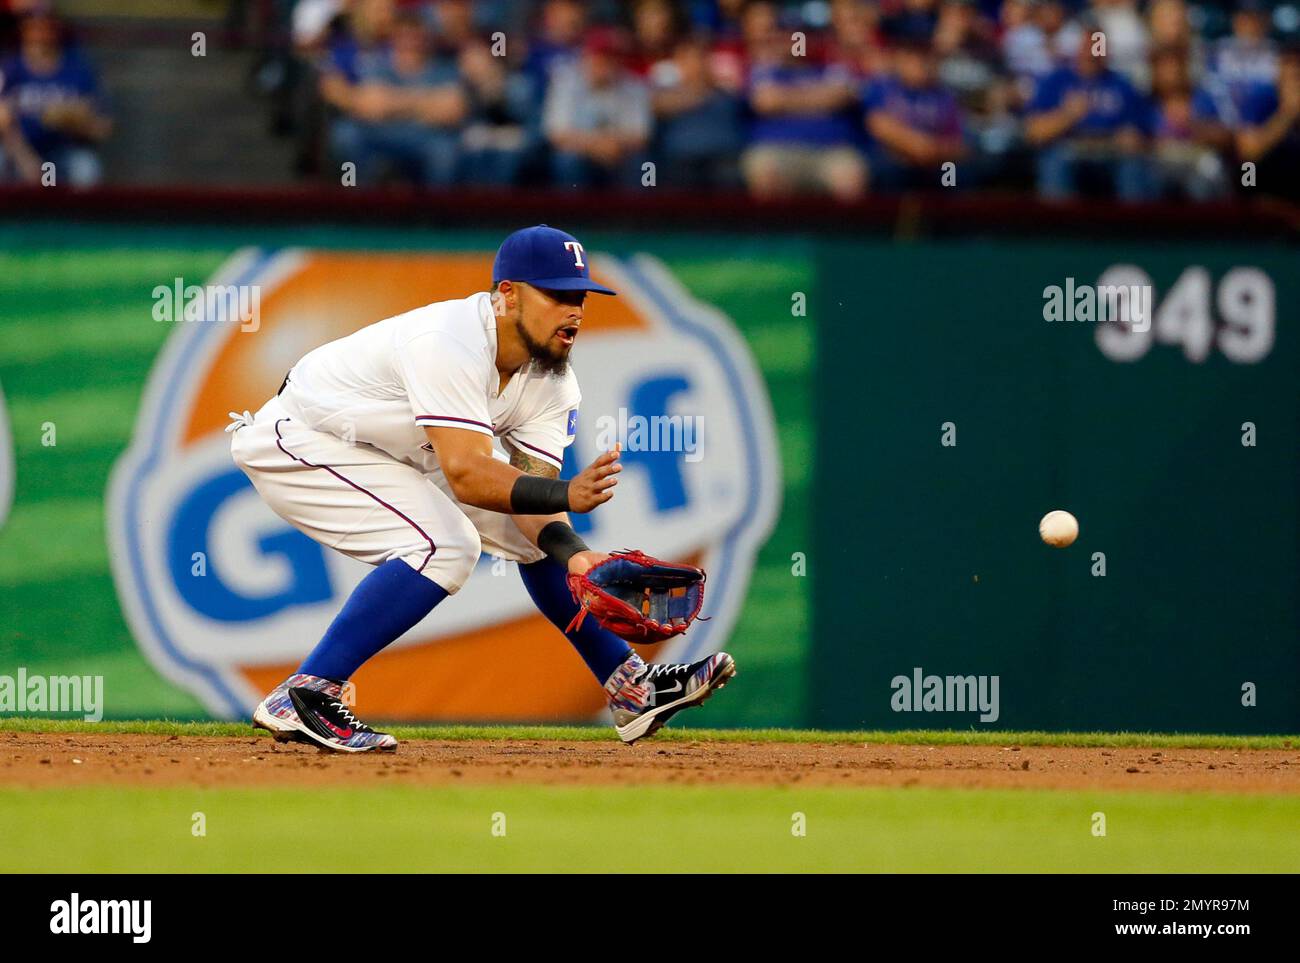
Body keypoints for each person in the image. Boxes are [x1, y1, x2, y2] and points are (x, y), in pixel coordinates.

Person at [229, 225, 737, 752]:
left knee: (528, 539)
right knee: (445, 545)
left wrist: (577, 556)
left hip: (389, 452)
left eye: (580, 297)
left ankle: (631, 690)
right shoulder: (450, 341)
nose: (574, 311)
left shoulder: (553, 382)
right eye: (558, 295)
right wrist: (566, 495)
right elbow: (468, 474)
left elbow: (529, 503)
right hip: (300, 439)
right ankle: (305, 693)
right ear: (507, 293)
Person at [327, 12, 467, 187]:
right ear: (393, 39)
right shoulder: (377, 66)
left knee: (446, 149)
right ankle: (356, 200)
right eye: (403, 36)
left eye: (416, 37)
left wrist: (391, 101)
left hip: (426, 137)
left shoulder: (443, 69)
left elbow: (452, 111)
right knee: (345, 134)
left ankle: (438, 212)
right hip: (380, 133)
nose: (410, 42)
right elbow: (368, 106)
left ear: (426, 40)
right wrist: (427, 101)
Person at [1024, 27, 1154, 201]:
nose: (1092, 53)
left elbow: (1142, 135)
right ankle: (1057, 226)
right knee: (1054, 162)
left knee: (1133, 167)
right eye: (1088, 46)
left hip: (1111, 153)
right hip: (1069, 150)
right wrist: (1068, 116)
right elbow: (1034, 132)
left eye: (1098, 46)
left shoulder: (1122, 86)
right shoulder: (1056, 81)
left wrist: (1132, 138)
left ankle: (1132, 226)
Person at [0, 11, 110, 186]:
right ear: (23, 31)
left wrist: (73, 122)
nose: (41, 34)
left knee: (85, 167)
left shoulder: (78, 70)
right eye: (34, 28)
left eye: (47, 28)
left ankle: (79, 214)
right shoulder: (10, 68)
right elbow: (2, 118)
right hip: (18, 150)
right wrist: (25, 159)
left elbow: (102, 128)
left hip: (62, 151)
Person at [543, 28, 651, 189]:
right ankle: (569, 212)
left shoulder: (633, 85)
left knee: (643, 164)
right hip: (579, 151)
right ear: (585, 58)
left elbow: (641, 135)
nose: (602, 64)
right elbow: (556, 133)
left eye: (609, 58)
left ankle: (635, 213)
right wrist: (596, 146)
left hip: (619, 152)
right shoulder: (565, 81)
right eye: (597, 58)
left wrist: (613, 145)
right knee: (567, 161)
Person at [863, 36, 967, 191]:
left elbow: (961, 144)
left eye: (925, 57)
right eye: (912, 58)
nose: (920, 64)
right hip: (892, 159)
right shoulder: (883, 87)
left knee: (953, 173)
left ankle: (950, 212)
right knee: (888, 171)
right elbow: (878, 126)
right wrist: (918, 146)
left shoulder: (944, 95)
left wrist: (934, 151)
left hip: (935, 161)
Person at [1148, 44, 1230, 200]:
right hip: (1159, 163)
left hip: (1196, 161)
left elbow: (1225, 137)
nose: (1172, 73)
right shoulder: (1146, 101)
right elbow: (1137, 138)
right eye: (1165, 67)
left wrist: (1192, 124)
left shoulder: (1202, 98)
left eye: (1176, 67)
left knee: (1206, 176)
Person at [1236, 44, 1300, 203]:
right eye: (1288, 66)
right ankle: (1251, 210)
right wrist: (1288, 113)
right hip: (1268, 171)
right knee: (1247, 169)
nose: (1294, 73)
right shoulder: (1260, 98)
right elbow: (1248, 152)